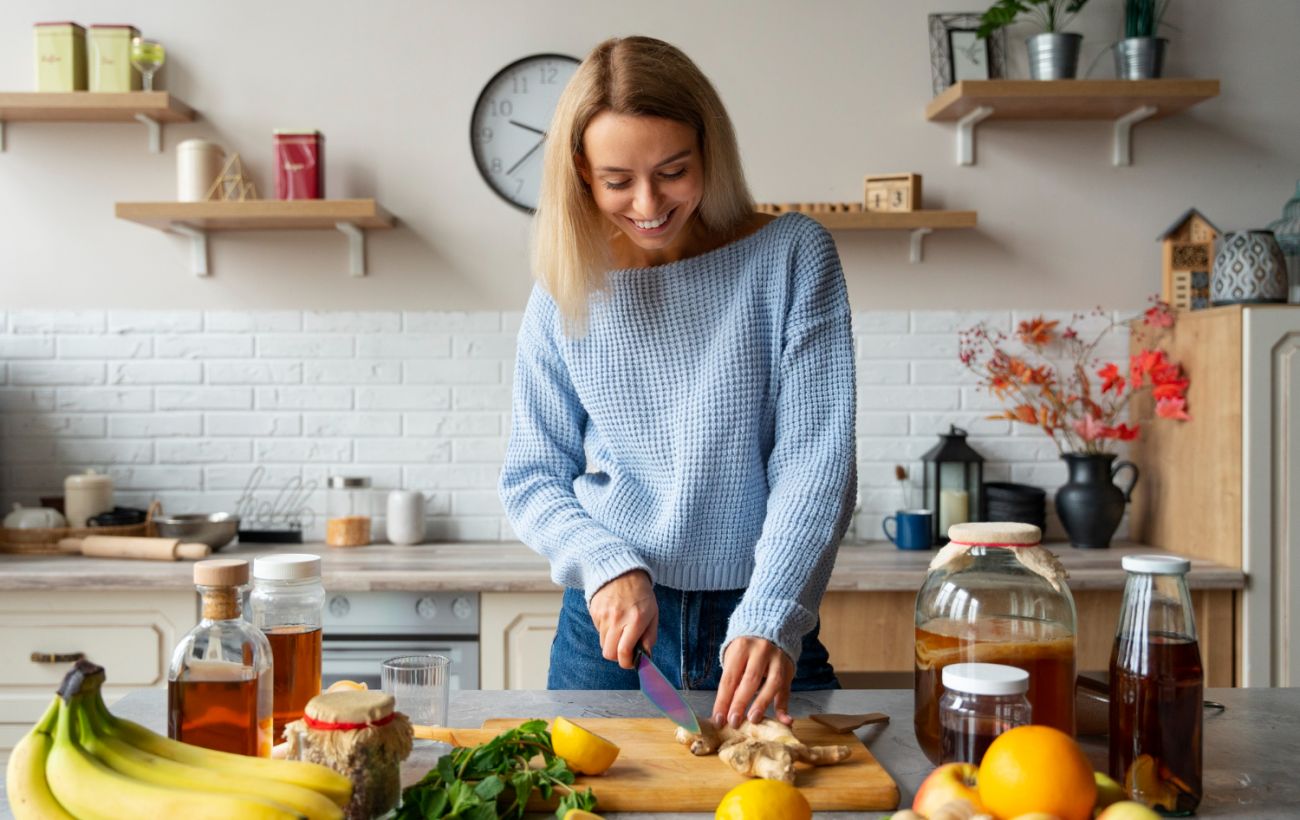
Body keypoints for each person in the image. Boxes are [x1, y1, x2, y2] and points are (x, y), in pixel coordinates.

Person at [499, 35, 855, 730]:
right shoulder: (566, 286)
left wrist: (775, 607)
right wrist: (603, 561)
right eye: (617, 181)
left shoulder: (790, 257)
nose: (647, 204)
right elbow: (532, 478)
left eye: (672, 171)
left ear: (708, 152)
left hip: (761, 617)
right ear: (581, 171)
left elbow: (816, 463)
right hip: (610, 633)